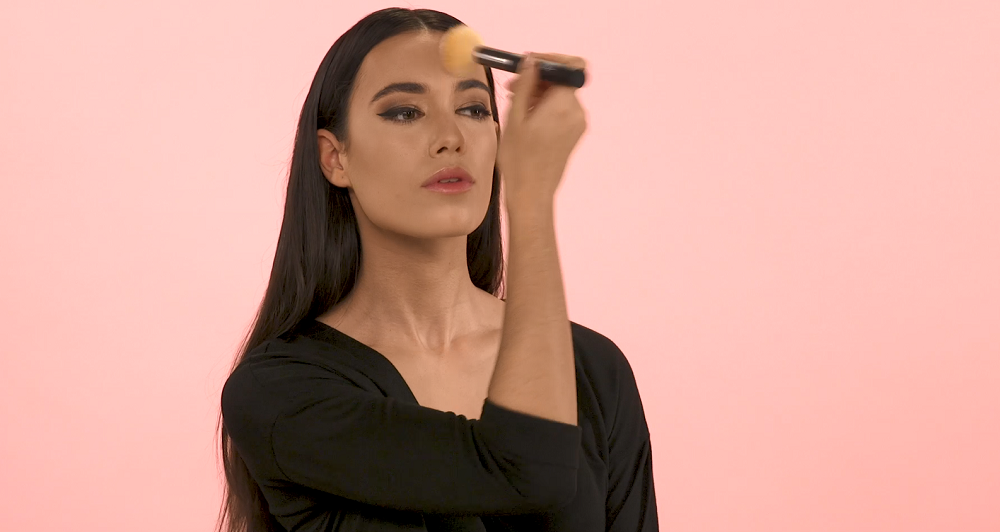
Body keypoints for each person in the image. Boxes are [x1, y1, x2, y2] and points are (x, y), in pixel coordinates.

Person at [216, 7, 657, 532]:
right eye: (405, 112)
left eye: (473, 109)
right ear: (335, 159)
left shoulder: (594, 368)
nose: (451, 138)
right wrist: (532, 199)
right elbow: (526, 471)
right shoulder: (279, 393)